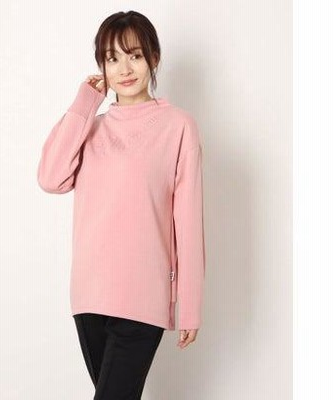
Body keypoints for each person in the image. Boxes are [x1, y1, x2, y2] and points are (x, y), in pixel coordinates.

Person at [37, 10, 206, 399]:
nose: (124, 69)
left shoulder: (178, 126)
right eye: (112, 58)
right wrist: (85, 102)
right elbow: (51, 178)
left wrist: (190, 305)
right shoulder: (90, 127)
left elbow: (188, 222)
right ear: (101, 66)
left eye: (135, 55)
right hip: (90, 296)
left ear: (154, 58)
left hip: (144, 296)